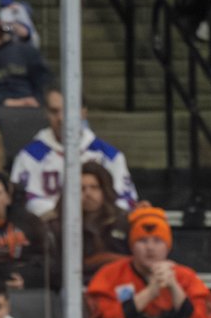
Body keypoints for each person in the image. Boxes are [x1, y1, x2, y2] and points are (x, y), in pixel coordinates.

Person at [8, 88, 134, 221]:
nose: (61, 118)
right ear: (46, 113)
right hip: (48, 227)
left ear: (83, 112)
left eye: (68, 111)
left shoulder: (109, 156)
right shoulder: (29, 157)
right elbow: (21, 200)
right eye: (54, 111)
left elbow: (127, 199)